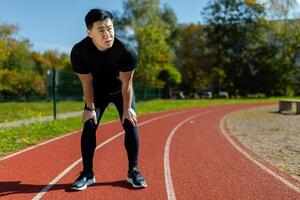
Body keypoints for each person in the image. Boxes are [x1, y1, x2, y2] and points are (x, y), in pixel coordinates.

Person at [70, 8, 147, 190]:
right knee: (89, 123)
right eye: (101, 30)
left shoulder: (127, 50)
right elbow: (87, 83)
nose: (107, 35)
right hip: (97, 90)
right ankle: (87, 173)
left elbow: (127, 82)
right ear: (89, 33)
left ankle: (133, 171)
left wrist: (128, 108)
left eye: (110, 28)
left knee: (130, 122)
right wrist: (89, 109)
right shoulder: (79, 52)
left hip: (121, 89)